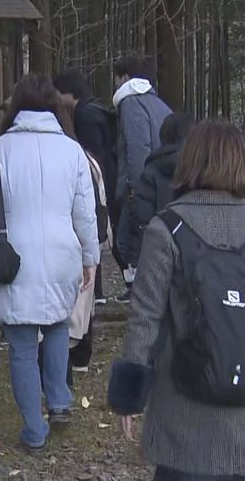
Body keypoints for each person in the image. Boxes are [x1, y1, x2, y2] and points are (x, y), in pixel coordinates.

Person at [108, 121, 245, 481]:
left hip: (183, 419)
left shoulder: (165, 228)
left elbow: (145, 319)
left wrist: (129, 395)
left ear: (190, 161)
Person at [0, 74, 100, 452]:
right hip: (63, 252)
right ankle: (59, 401)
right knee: (57, 325)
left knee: (23, 345)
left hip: (15, 256)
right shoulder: (72, 151)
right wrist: (91, 257)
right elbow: (85, 214)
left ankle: (34, 428)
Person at [54, 67, 120, 305]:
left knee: (92, 229)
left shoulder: (84, 116)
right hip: (105, 179)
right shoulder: (94, 110)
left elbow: (92, 155)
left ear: (67, 93)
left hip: (96, 181)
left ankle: (96, 291)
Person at [112, 56, 173, 301]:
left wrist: (134, 188)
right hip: (164, 183)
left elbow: (138, 148)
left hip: (143, 184)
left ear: (125, 77)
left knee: (127, 241)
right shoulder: (157, 103)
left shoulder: (131, 104)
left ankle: (142, 290)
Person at [122, 112, 196, 263]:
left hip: (158, 260)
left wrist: (134, 263)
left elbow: (139, 221)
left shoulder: (151, 172)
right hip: (197, 261)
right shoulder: (204, 172)